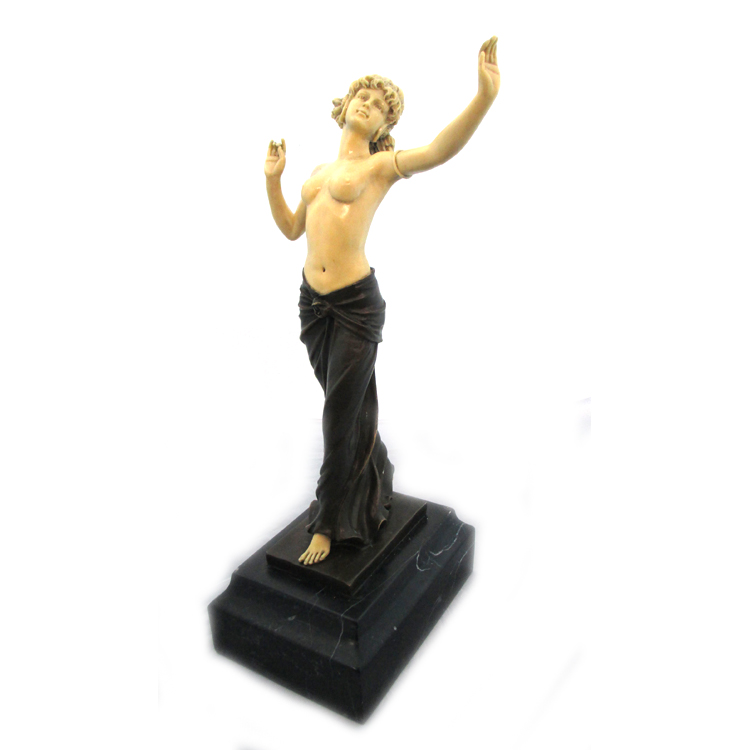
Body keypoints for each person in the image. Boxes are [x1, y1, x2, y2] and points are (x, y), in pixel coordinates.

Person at [264, 37, 500, 565]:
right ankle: (373, 475)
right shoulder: (316, 176)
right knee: (351, 408)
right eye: (362, 98)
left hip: (355, 306)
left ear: (383, 127)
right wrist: (273, 181)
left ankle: (328, 523)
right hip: (312, 306)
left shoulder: (378, 168)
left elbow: (437, 150)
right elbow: (291, 230)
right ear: (344, 106)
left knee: (337, 415)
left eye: (380, 107)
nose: (368, 106)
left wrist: (483, 98)